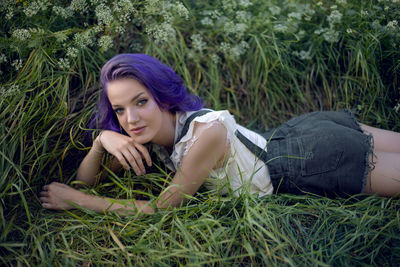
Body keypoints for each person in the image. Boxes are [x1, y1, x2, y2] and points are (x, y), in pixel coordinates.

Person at [39, 54, 400, 214]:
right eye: (119, 110)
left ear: (161, 96)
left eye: (141, 102)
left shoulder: (204, 133)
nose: (130, 119)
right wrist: (102, 140)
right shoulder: (146, 135)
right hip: (298, 133)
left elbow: (158, 210)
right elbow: (88, 181)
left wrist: (78, 202)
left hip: (308, 162)